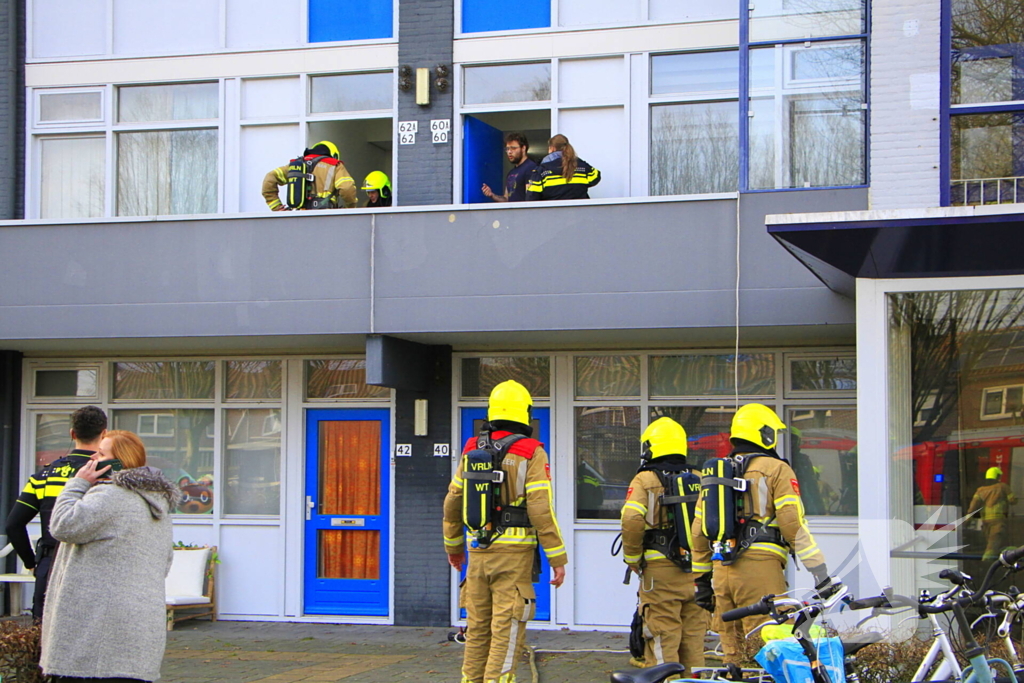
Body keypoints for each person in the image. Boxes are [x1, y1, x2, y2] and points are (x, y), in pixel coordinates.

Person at [691, 403, 836, 666]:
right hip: (760, 570)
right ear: (765, 434)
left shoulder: (716, 473)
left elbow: (698, 531)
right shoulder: (776, 468)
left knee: (733, 653)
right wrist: (819, 570)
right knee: (769, 645)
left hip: (722, 571)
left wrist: (701, 580)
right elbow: (791, 523)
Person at [443, 380, 568, 683]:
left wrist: (454, 548)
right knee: (506, 629)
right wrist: (557, 558)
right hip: (514, 556)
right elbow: (540, 509)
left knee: (477, 628)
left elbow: (453, 501)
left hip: (477, 552)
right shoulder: (532, 451)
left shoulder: (472, 448)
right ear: (525, 413)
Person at [40, 430, 178, 683]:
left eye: (101, 454)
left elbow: (62, 525)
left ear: (117, 463)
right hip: (138, 628)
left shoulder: (109, 495)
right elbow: (165, 562)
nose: (92, 458)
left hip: (96, 634)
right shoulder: (156, 502)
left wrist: (77, 484)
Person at [4, 405, 107, 619]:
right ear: (104, 434)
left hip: (51, 563)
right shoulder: (111, 473)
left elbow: (13, 525)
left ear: (72, 434)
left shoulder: (44, 475)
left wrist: (32, 563)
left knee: (46, 629)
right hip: (98, 564)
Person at [620, 417, 705, 675]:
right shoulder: (700, 478)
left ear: (650, 447)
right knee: (694, 639)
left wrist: (632, 558)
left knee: (661, 636)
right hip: (698, 571)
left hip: (660, 572)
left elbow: (631, 518)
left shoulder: (645, 479)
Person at [262, 140, 357, 211]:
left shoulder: (296, 165)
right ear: (334, 155)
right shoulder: (334, 165)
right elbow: (347, 188)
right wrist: (350, 208)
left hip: (299, 216)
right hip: (325, 215)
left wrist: (277, 207)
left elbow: (269, 178)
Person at [525, 134, 600, 200]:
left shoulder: (543, 170)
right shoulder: (581, 166)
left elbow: (532, 196)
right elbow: (596, 177)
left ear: (552, 148)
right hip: (580, 210)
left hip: (553, 210)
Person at [968, 466, 1017, 560]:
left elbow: (973, 506)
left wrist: (968, 517)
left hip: (985, 521)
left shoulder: (980, 490)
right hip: (998, 520)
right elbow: (1013, 500)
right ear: (997, 476)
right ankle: (987, 562)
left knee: (992, 542)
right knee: (993, 544)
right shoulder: (1003, 487)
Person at [482, 133, 539, 203]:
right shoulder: (511, 172)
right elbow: (506, 199)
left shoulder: (531, 167)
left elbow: (531, 198)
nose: (509, 152)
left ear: (523, 148)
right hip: (512, 210)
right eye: (507, 149)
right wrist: (492, 195)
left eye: (513, 148)